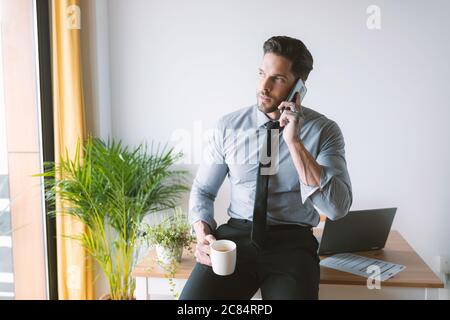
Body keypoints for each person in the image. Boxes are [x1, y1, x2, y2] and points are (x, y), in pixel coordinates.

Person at [179, 35, 352, 300]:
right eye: (262, 73)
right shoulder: (228, 126)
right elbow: (203, 190)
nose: (263, 86)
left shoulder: (324, 132)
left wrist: (294, 142)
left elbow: (336, 208)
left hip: (292, 243)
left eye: (278, 79)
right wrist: (202, 232)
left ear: (299, 87)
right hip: (236, 237)